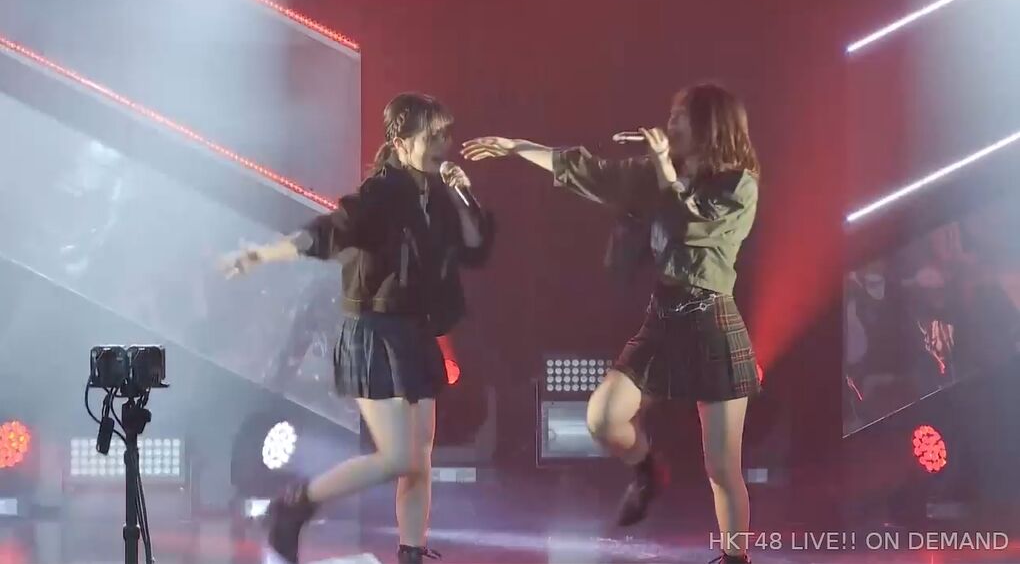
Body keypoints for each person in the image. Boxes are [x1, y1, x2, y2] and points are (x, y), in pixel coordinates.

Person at [462, 83, 760, 564]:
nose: (671, 122)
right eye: (672, 114)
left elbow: (692, 225)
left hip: (712, 321)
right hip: (664, 319)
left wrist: (663, 168)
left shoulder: (738, 185)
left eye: (681, 116)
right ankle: (648, 469)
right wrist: (518, 147)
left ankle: (735, 557)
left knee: (722, 468)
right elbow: (589, 171)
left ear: (710, 126)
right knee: (602, 418)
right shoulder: (656, 173)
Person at [222, 93, 495, 564]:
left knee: (419, 458)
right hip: (375, 333)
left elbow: (475, 248)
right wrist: (265, 253)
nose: (443, 144)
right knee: (397, 457)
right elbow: (329, 231)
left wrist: (463, 195)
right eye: (432, 135)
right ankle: (295, 506)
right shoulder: (380, 194)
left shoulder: (439, 197)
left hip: (417, 333)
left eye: (446, 135)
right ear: (401, 141)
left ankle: (411, 551)